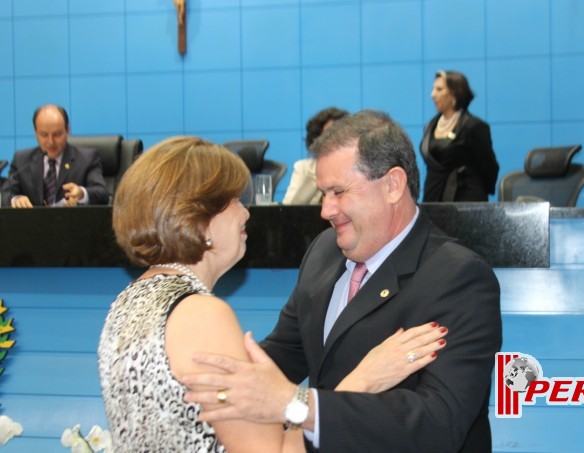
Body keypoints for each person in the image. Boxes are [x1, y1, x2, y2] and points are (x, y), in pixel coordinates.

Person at [98, 136, 447, 452]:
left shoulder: (127, 302)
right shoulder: (200, 314)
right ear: (200, 219)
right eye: (234, 200)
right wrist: (363, 380)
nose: (245, 212)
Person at [181, 111, 503, 452]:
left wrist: (299, 404)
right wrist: (204, 383)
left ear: (393, 185)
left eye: (338, 192)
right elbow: (285, 351)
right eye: (323, 193)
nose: (325, 210)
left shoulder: (458, 278)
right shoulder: (324, 250)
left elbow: (439, 424)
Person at [0, 104, 109, 208]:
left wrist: (81, 193)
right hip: (31, 225)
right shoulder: (22, 160)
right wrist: (15, 199)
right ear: (35, 132)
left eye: (57, 134)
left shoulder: (87, 158)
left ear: (67, 130)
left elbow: (102, 194)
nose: (50, 142)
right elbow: (5, 194)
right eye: (44, 135)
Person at [420, 70, 499, 202]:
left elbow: (489, 167)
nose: (432, 94)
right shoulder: (429, 126)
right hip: (432, 199)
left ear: (453, 94)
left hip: (465, 202)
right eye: (433, 89)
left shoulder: (474, 126)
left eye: (439, 89)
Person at [282, 107, 349, 205]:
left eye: (342, 132)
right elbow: (289, 208)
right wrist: (318, 174)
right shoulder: (304, 168)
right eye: (330, 133)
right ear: (317, 139)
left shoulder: (354, 168)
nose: (337, 138)